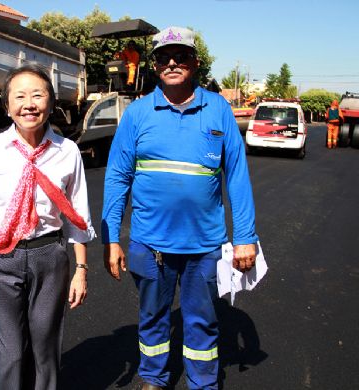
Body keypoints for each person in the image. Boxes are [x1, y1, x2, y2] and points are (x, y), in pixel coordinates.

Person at [101, 26, 259, 390]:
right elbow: (117, 178)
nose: (172, 62)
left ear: (195, 62)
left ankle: (202, 383)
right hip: (149, 244)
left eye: (181, 55)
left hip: (204, 245)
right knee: (153, 317)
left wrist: (246, 237)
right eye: (163, 57)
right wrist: (110, 238)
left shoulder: (218, 108)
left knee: (202, 319)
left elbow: (236, 176)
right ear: (154, 64)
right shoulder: (138, 113)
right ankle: (154, 377)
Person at [0, 64, 96, 390]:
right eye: (19, 96)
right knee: (11, 351)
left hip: (50, 256)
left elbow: (78, 215)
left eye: (37, 94)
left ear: (50, 102)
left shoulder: (68, 151)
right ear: (7, 107)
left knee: (46, 347)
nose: (29, 104)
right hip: (0, 257)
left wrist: (81, 269)